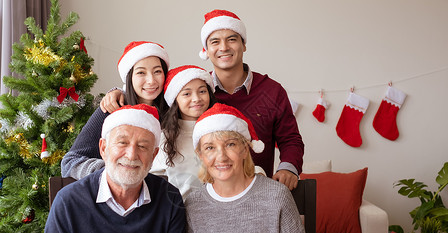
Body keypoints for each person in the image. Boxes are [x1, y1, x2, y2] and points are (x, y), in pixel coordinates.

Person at [102, 10, 305, 190]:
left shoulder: (272, 91)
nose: (224, 47)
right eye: (215, 42)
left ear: (244, 44)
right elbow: (152, 89)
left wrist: (289, 168)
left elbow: (291, 139)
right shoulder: (195, 87)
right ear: (206, 51)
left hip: (254, 189)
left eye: (232, 39)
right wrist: (119, 91)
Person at [39, 104, 190, 233]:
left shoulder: (169, 198)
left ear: (153, 156)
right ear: (103, 148)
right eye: (122, 143)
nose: (131, 155)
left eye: (143, 146)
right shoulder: (68, 202)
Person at [185, 103, 313, 233]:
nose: (221, 156)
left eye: (230, 144)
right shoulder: (194, 205)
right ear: (201, 155)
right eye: (210, 147)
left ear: (245, 148)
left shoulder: (276, 197)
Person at [61, 41, 170, 179]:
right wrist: (115, 172)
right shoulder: (112, 108)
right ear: (129, 77)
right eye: (141, 72)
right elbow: (70, 162)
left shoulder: (175, 109)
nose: (151, 80)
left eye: (157, 71)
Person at [150, 65, 216, 198]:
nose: (196, 98)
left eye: (202, 91)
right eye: (187, 94)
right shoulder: (163, 138)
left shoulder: (222, 130)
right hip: (178, 213)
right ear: (175, 99)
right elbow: (152, 184)